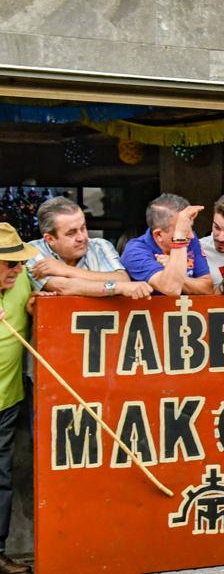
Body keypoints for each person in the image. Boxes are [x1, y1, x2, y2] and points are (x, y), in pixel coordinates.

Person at [0, 224, 38, 574]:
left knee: (2, 479)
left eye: (18, 263)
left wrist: (37, 303)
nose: (17, 269)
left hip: (7, 401)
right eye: (9, 263)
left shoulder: (22, 279)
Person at [26, 197, 150, 299]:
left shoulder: (100, 246)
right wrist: (117, 287)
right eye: (71, 233)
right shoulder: (32, 252)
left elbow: (122, 278)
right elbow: (65, 287)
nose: (82, 237)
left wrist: (66, 270)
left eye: (83, 228)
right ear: (50, 239)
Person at [119, 193, 214, 296]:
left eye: (190, 227)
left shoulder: (189, 238)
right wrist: (180, 237)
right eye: (182, 230)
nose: (191, 235)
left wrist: (172, 267)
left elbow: (207, 288)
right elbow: (171, 288)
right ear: (159, 234)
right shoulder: (134, 251)